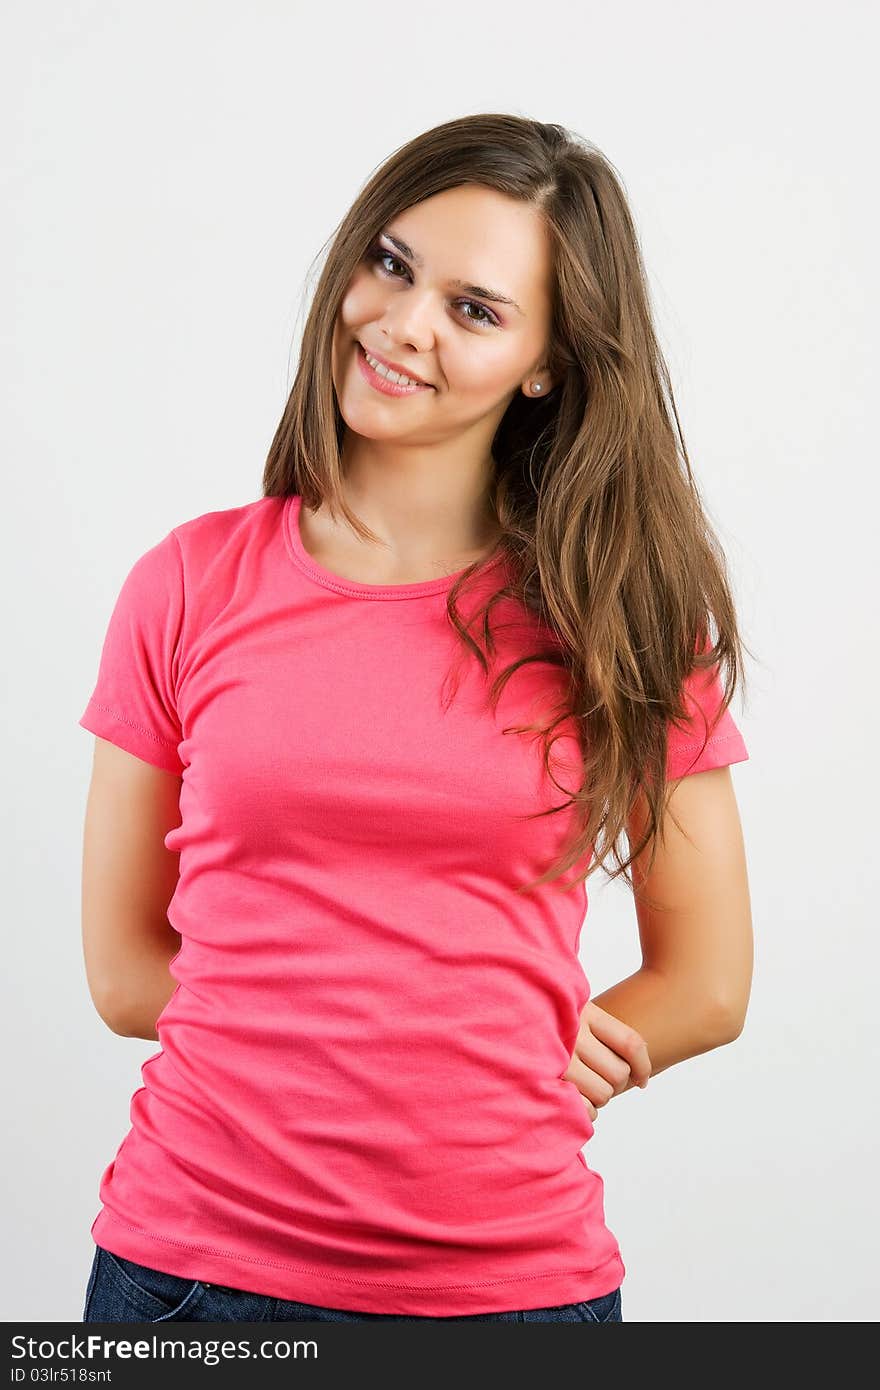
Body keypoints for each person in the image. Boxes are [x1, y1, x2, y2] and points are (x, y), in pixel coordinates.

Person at [77, 113, 753, 1324]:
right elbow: (127, 974)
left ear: (549, 362)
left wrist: (505, 1050)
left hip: (515, 1294)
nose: (402, 325)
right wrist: (349, 1036)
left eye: (475, 309)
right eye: (389, 265)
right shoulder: (185, 583)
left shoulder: (622, 614)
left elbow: (705, 980)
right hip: (189, 1279)